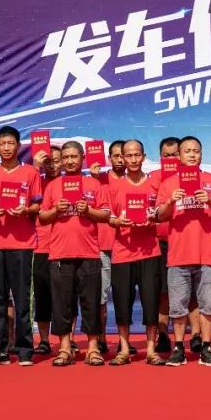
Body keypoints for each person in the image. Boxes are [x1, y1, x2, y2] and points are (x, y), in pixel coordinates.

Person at [156, 136, 211, 366]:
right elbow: (159, 216)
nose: (192, 154)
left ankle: (206, 347)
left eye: (196, 151)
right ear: (179, 155)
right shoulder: (169, 183)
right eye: (187, 151)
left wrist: (210, 201)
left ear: (201, 154)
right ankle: (179, 348)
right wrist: (170, 202)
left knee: (208, 304)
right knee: (178, 305)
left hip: (206, 253)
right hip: (178, 254)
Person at [39, 141, 110, 366]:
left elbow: (106, 215)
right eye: (66, 157)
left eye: (74, 157)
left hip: (89, 253)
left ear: (82, 158)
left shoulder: (93, 184)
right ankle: (64, 348)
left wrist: (88, 210)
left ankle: (93, 348)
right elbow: (42, 217)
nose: (70, 161)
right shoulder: (53, 186)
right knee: (62, 304)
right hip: (60, 253)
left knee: (91, 302)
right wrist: (55, 210)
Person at [0, 127, 42, 366]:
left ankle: (25, 349)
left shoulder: (30, 173)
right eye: (2, 144)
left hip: (22, 244)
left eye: (10, 143)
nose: (6, 148)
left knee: (22, 298)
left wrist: (25, 210)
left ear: (18, 145)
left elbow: (37, 206)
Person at [105, 139, 163, 365]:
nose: (133, 159)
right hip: (123, 253)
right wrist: (117, 221)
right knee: (122, 302)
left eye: (137, 155)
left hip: (150, 252)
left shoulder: (155, 185)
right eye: (128, 155)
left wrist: (153, 218)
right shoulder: (113, 187)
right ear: (122, 158)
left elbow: (161, 213)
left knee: (151, 301)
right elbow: (108, 217)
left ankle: (151, 350)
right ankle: (123, 349)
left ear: (144, 156)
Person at [149, 136, 181, 353]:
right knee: (163, 293)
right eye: (166, 156)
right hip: (160, 243)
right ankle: (163, 334)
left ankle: (196, 336)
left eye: (174, 155)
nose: (170, 159)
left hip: (184, 241)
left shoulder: (192, 176)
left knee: (191, 293)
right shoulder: (153, 178)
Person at [95, 140, 124, 355]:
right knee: (100, 297)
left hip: (128, 247)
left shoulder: (139, 180)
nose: (121, 159)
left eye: (124, 155)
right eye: (116, 156)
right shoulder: (98, 179)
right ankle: (101, 338)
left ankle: (125, 342)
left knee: (124, 297)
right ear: (109, 158)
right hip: (102, 246)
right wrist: (94, 178)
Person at [32, 145, 62, 355]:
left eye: (56, 161)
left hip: (65, 246)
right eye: (48, 162)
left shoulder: (71, 184)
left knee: (66, 297)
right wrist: (35, 168)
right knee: (42, 296)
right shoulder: (36, 182)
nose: (52, 166)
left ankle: (68, 339)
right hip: (40, 246)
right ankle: (44, 340)